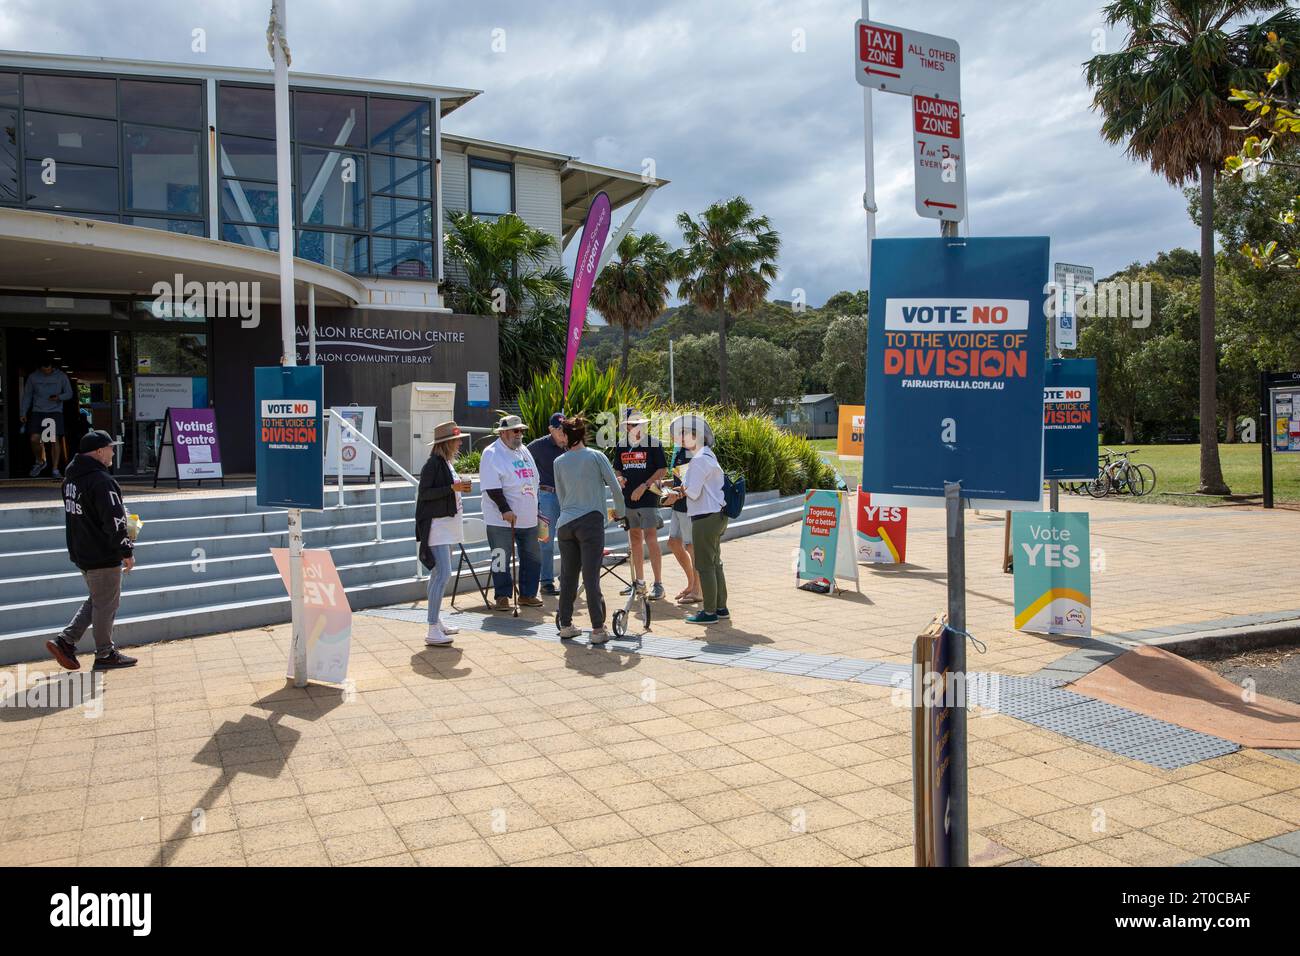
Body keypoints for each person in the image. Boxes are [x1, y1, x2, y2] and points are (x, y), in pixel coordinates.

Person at [45, 430, 138, 671]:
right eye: (110, 448)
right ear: (99, 451)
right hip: (102, 553)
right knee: (106, 604)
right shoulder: (102, 481)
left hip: (82, 551)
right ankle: (105, 653)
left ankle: (65, 641)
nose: (113, 452)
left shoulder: (71, 480)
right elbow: (114, 520)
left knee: (99, 599)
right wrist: (126, 549)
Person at [553, 416, 625, 644]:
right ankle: (597, 629)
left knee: (568, 576)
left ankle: (565, 624)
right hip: (590, 521)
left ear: (566, 436)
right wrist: (620, 512)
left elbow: (561, 495)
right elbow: (615, 487)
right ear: (583, 435)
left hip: (565, 522)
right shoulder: (596, 456)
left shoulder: (559, 462)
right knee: (591, 576)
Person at [662, 414, 727, 625]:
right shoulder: (707, 455)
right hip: (715, 515)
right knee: (714, 563)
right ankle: (720, 607)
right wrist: (680, 490)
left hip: (705, 517)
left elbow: (694, 491)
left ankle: (709, 612)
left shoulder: (698, 460)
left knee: (705, 565)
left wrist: (674, 494)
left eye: (683, 434)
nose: (679, 439)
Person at [415, 420, 474, 647]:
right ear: (447, 443)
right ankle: (432, 626)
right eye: (457, 440)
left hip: (446, 525)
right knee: (442, 575)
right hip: (438, 526)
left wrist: (455, 488)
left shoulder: (445, 463)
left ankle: (436, 621)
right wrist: (452, 488)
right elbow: (425, 494)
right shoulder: (433, 464)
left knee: (438, 574)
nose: (460, 443)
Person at [479, 414, 543, 611]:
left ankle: (527, 594)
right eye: (516, 431)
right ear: (504, 432)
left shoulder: (523, 450)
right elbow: (491, 487)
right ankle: (502, 595)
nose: (520, 435)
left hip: (528, 517)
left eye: (521, 431)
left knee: (532, 557)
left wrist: (536, 507)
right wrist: (505, 509)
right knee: (500, 557)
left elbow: (534, 480)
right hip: (501, 519)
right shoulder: (492, 453)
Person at [614, 408, 667, 601]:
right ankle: (639, 583)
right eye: (633, 424)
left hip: (648, 499)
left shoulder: (653, 444)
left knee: (651, 538)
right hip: (628, 500)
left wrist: (643, 486)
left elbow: (662, 469)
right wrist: (619, 479)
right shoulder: (621, 445)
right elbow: (617, 469)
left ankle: (658, 584)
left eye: (640, 423)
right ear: (626, 426)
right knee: (634, 539)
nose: (637, 427)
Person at [526, 412, 568, 595]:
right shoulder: (537, 446)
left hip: (568, 497)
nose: (562, 432)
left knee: (569, 540)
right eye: (558, 429)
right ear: (550, 429)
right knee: (545, 540)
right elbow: (522, 461)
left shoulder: (571, 444)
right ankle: (546, 582)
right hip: (546, 497)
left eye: (564, 428)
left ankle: (567, 578)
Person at [20, 359, 73, 478]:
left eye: (49, 370)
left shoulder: (61, 376)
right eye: (44, 370)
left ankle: (55, 469)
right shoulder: (33, 377)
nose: (47, 372)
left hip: (55, 411)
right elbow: (27, 395)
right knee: (34, 438)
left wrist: (59, 397)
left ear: (53, 367)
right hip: (38, 411)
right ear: (39, 369)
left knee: (54, 439)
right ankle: (40, 461)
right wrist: (23, 412)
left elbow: (69, 393)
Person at [665, 444, 701, 604]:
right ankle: (691, 583)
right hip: (678, 506)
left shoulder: (691, 451)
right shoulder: (678, 450)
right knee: (673, 543)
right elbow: (679, 478)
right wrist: (664, 485)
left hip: (688, 507)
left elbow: (691, 483)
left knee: (691, 547)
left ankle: (697, 591)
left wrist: (676, 493)